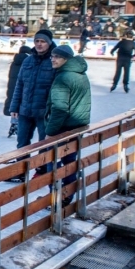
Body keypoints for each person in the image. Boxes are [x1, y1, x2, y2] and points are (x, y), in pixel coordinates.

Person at [45, 45, 91, 201]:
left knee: (53, 161)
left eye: (57, 57)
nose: (53, 59)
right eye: (52, 56)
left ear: (66, 59)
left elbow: (59, 109)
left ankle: (57, 196)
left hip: (63, 129)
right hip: (76, 127)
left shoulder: (63, 77)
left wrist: (50, 133)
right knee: (70, 162)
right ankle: (68, 194)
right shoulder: (80, 74)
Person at [10, 29, 56, 149]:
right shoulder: (28, 60)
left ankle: (42, 167)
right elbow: (19, 84)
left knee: (45, 144)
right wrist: (14, 107)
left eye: (43, 41)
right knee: (22, 143)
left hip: (44, 112)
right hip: (25, 110)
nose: (39, 44)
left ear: (49, 43)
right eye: (37, 41)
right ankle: (21, 166)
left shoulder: (54, 61)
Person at [4, 45, 32, 138]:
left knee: (14, 105)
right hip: (22, 87)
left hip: (12, 87)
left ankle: (14, 123)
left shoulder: (14, 62)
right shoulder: (28, 62)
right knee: (21, 105)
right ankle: (19, 125)